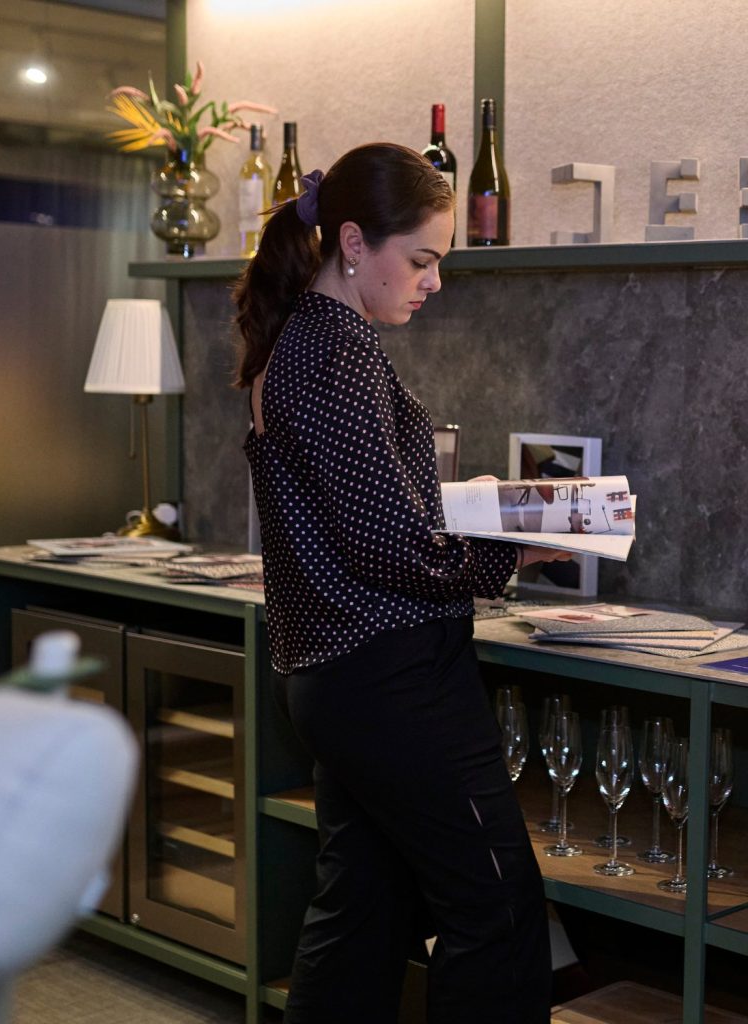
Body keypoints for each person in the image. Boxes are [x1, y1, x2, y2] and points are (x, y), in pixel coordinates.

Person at [233, 143, 568, 1024]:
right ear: (353, 242)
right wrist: (512, 552)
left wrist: (473, 514)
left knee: (363, 909)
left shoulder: (305, 341)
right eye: (421, 260)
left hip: (341, 678)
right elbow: (391, 549)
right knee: (495, 911)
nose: (434, 282)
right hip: (393, 677)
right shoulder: (332, 352)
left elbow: (370, 518)